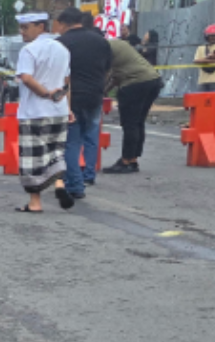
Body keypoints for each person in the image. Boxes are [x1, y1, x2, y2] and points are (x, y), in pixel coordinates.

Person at [13, 11, 74, 212]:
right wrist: (69, 107)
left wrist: (46, 94)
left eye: (25, 27)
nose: (22, 32)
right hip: (59, 111)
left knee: (33, 158)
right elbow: (66, 83)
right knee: (55, 152)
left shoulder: (29, 51)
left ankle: (35, 202)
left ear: (40, 27)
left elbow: (27, 79)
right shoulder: (62, 49)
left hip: (34, 112)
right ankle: (59, 184)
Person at [55, 8, 111, 198]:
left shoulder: (61, 44)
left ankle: (75, 185)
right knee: (91, 136)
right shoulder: (100, 41)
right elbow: (107, 68)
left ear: (63, 23)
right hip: (95, 94)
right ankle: (89, 174)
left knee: (71, 141)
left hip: (72, 96)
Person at [104, 31, 162, 174]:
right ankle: (133, 159)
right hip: (153, 80)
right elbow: (116, 76)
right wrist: (106, 90)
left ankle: (126, 160)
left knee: (129, 123)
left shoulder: (104, 48)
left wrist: (100, 90)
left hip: (135, 84)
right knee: (138, 122)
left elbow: (105, 73)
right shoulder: (119, 45)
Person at [194, 25, 215, 92]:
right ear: (207, 37)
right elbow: (196, 61)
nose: (212, 38)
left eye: (214, 36)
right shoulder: (201, 48)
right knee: (201, 100)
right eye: (210, 36)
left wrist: (204, 60)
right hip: (202, 80)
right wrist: (209, 58)